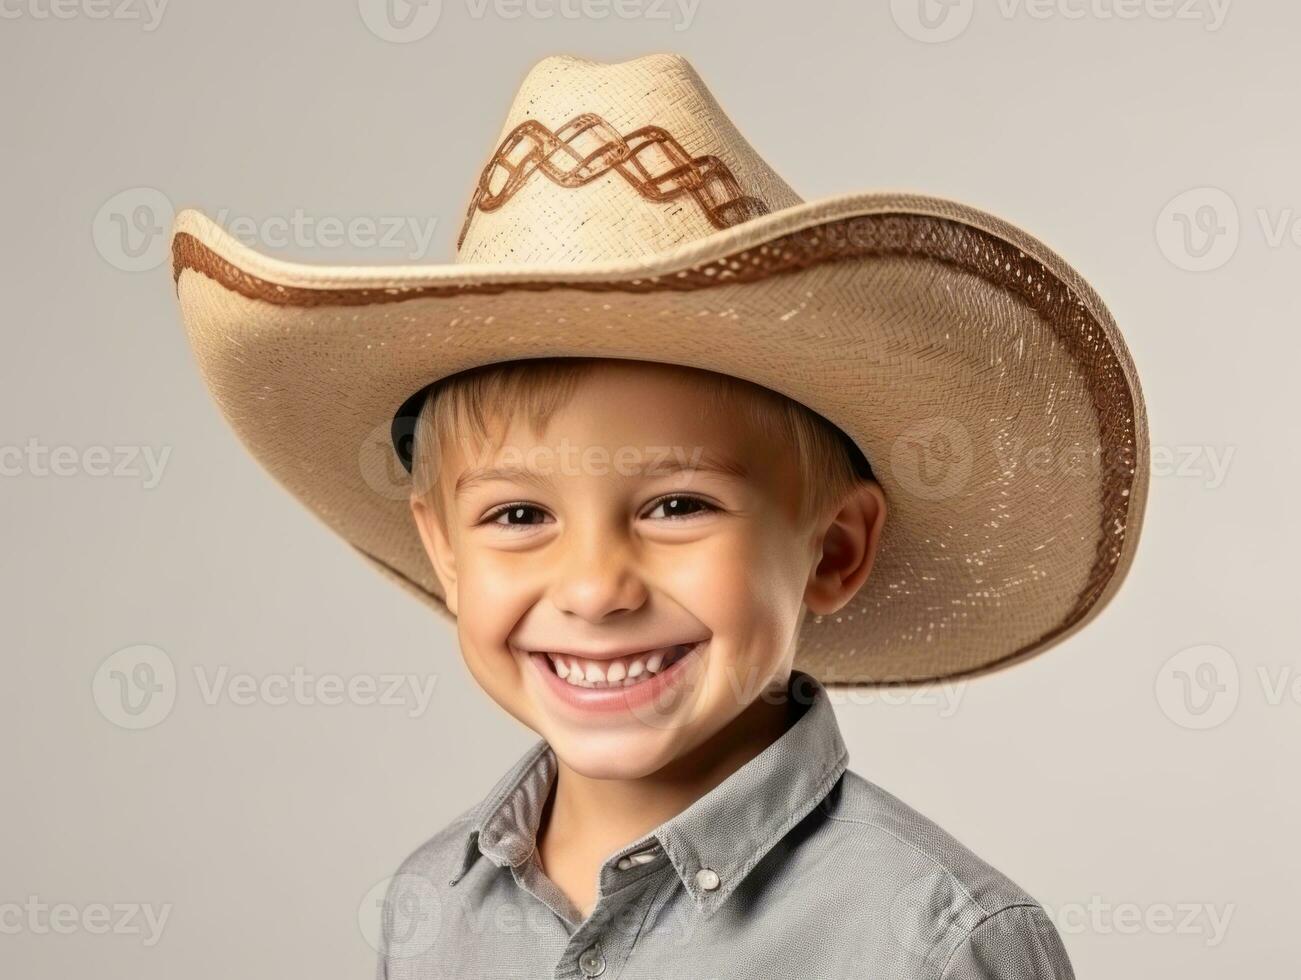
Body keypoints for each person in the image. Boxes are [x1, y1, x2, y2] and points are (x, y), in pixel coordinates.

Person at [171, 52, 1148, 979]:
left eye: (677, 505)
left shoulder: (927, 940)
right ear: (443, 550)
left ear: (833, 549)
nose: (594, 587)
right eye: (517, 513)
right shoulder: (431, 905)